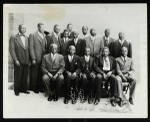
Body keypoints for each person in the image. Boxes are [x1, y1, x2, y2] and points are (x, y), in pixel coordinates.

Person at [9, 24, 30, 96]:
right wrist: (15, 60)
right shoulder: (13, 37)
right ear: (19, 29)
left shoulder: (27, 38)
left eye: (24, 28)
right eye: (22, 28)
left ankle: (24, 89)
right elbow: (12, 50)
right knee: (18, 75)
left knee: (25, 75)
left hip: (26, 60)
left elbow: (28, 49)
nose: (23, 30)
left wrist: (29, 59)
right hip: (18, 60)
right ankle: (17, 90)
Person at [29, 23, 47, 93]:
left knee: (40, 73)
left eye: (44, 28)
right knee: (34, 73)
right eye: (42, 28)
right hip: (36, 58)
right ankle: (34, 87)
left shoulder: (44, 35)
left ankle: (39, 87)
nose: (43, 29)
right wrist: (33, 58)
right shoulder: (33, 35)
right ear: (38, 28)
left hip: (43, 58)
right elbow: (31, 47)